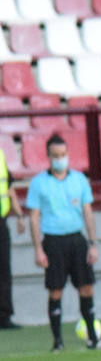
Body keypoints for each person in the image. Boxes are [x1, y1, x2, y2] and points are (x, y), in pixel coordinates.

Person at [25, 133, 101, 352]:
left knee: (86, 287)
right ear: (48, 156)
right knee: (55, 290)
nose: (60, 159)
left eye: (63, 155)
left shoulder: (79, 180)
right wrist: (38, 248)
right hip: (53, 241)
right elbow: (34, 218)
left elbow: (88, 212)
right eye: (55, 155)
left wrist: (93, 243)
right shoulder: (38, 183)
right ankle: (58, 342)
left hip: (76, 239)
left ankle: (93, 338)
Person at [0, 139, 24, 331]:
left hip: (1, 222)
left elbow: (8, 187)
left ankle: (4, 315)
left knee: (3, 270)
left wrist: (19, 215)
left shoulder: (0, 156)